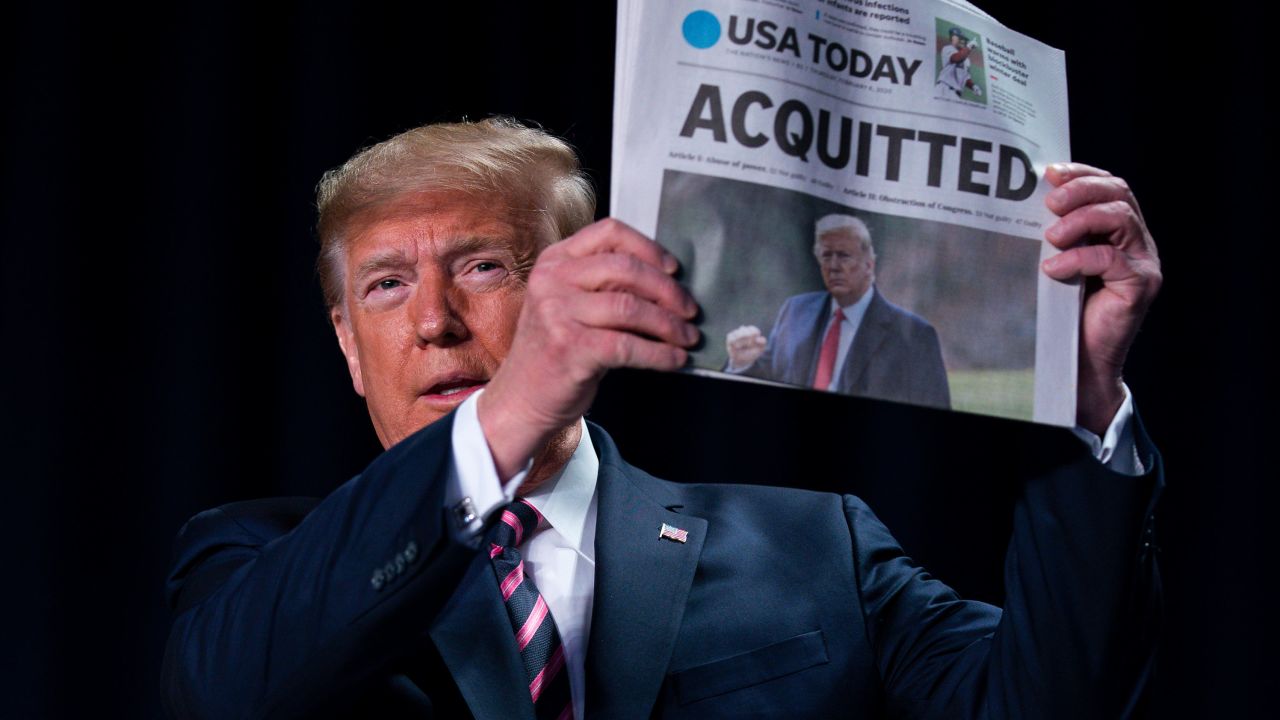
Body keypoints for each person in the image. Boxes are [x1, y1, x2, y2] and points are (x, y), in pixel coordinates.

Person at [163, 118, 1163, 719]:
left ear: (582, 282)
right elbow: (228, 698)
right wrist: (507, 409)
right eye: (385, 286)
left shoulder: (817, 547)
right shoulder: (251, 559)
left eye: (481, 267)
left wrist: (1078, 403)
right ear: (345, 345)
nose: (433, 320)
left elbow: (1051, 705)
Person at [723, 215, 951, 409]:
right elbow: (763, 381)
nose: (833, 266)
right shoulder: (795, 311)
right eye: (826, 256)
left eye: (843, 256)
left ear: (869, 265)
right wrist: (741, 365)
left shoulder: (914, 336)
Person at [936, 28, 984, 99]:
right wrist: (969, 47)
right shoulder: (948, 49)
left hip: (956, 94)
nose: (962, 41)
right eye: (960, 38)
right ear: (953, 38)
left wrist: (973, 86)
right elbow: (956, 58)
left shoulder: (967, 59)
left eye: (963, 39)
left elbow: (965, 77)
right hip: (944, 89)